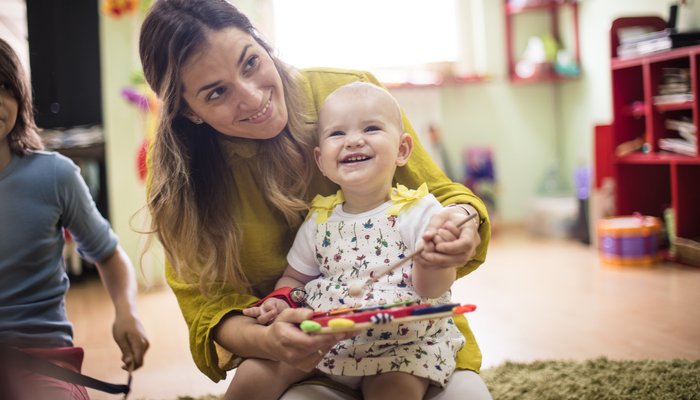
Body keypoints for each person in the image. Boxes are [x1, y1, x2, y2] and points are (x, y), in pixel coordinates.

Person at [138, 0, 492, 398]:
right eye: (217, 92)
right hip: (306, 357)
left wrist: (459, 223)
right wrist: (270, 334)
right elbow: (209, 307)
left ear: (263, 44)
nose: (253, 98)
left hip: (412, 346)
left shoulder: (350, 94)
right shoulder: (181, 173)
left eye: (251, 62)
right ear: (190, 112)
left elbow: (443, 197)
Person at [231, 82, 468, 400]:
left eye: (371, 128)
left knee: (394, 390)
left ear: (402, 150)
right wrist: (282, 300)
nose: (354, 140)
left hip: (402, 342)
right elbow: (295, 278)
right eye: (337, 134)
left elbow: (433, 288)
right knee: (254, 373)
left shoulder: (420, 211)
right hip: (328, 337)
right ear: (320, 161)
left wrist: (431, 259)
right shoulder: (320, 219)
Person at [0, 37, 149, 399]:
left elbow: (109, 255)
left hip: (41, 361)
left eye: (3, 86)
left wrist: (126, 312)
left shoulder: (54, 176)